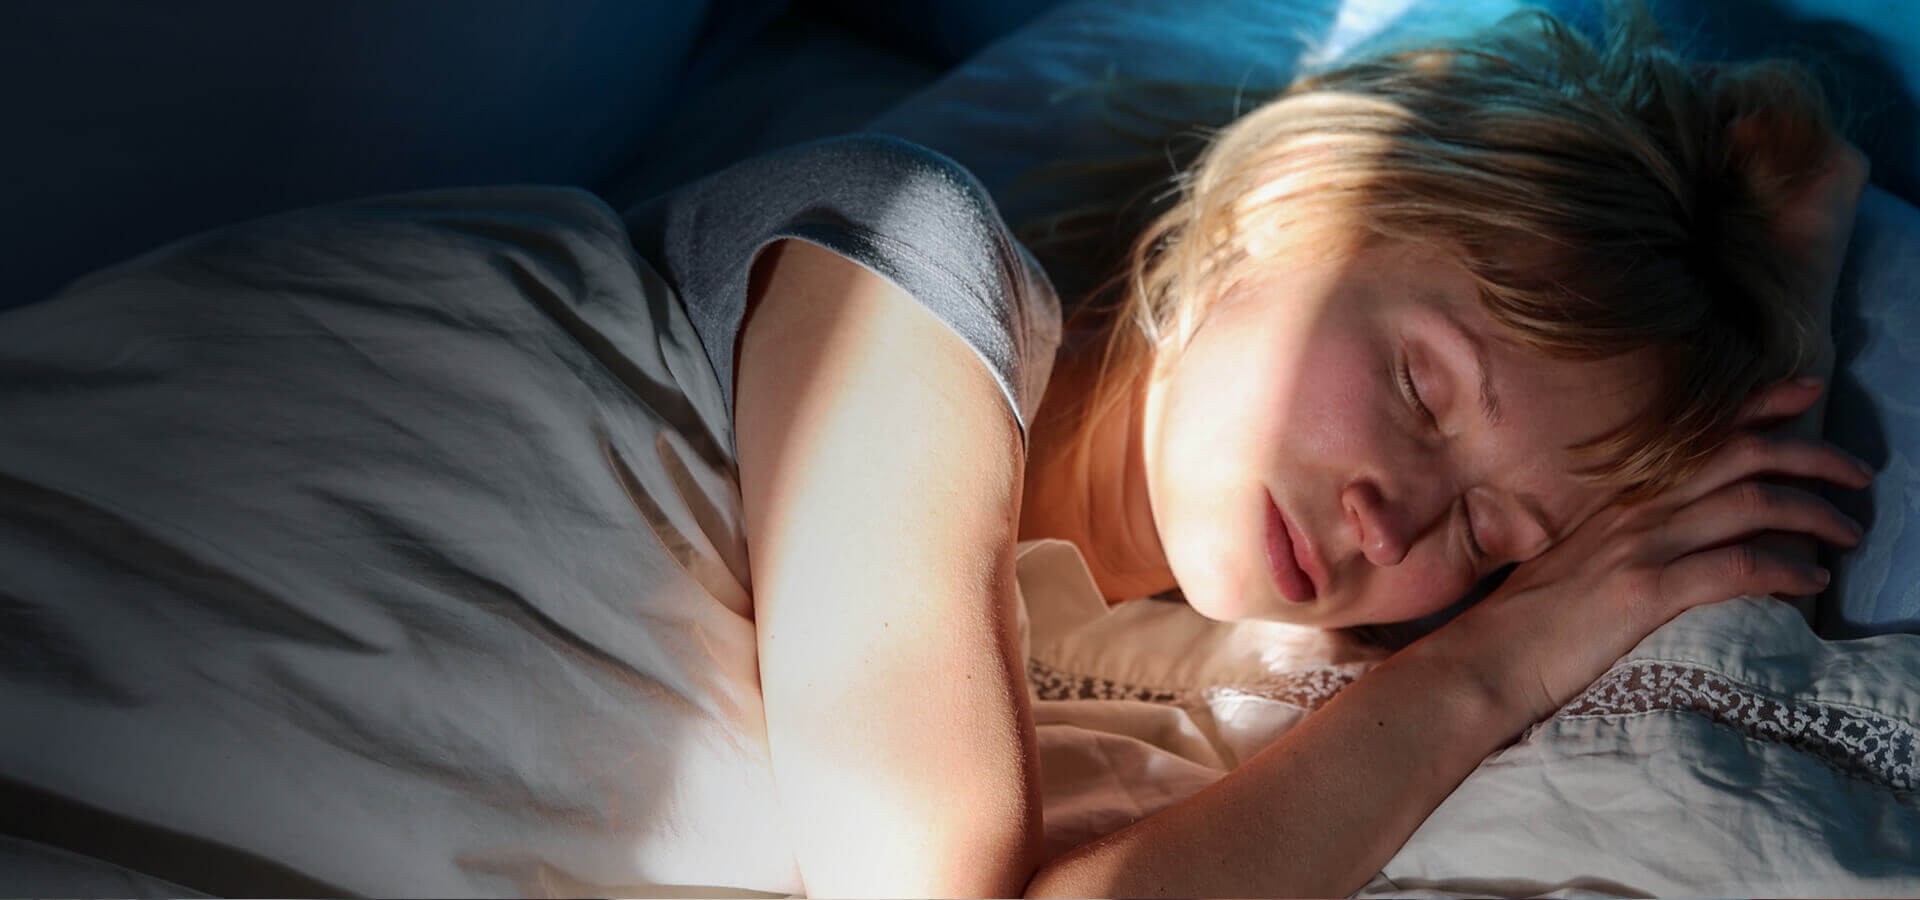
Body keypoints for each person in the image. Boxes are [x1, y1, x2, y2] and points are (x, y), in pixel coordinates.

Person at [0, 2, 1870, 897]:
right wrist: (1484, 671)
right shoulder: (905, 269)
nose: (1401, 518)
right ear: (1291, 208)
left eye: (1496, 531)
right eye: (1424, 389)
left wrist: (1750, 291)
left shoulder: (1210, 700)